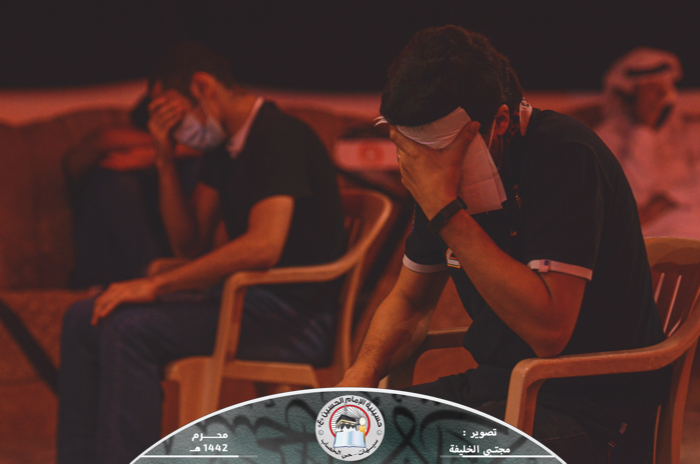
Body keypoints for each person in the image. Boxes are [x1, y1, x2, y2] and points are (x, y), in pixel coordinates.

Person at [338, 26, 669, 464]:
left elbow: (549, 332)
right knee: (341, 440)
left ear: (500, 122)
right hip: (499, 387)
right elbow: (410, 301)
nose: (430, 170)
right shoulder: (441, 184)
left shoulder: (565, 155)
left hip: (594, 411)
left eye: (441, 153)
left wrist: (446, 212)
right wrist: (359, 377)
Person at [57, 42, 347, 464]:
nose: (177, 129)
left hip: (294, 319)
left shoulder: (277, 135)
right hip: (245, 302)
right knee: (83, 317)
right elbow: (188, 243)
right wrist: (164, 158)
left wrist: (156, 285)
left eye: (171, 115)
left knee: (128, 328)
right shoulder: (225, 149)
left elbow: (263, 246)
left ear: (202, 87)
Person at [63, 96, 203, 289]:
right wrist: (163, 151)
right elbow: (101, 141)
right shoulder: (126, 142)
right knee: (113, 176)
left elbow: (216, 143)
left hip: (178, 255)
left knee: (199, 168)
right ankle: (150, 271)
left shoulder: (202, 156)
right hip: (111, 267)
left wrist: (166, 154)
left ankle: (161, 274)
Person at [595, 47, 700, 238]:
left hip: (685, 215)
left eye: (659, 92)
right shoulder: (605, 138)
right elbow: (632, 197)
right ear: (628, 97)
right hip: (643, 230)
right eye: (646, 94)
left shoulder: (688, 129)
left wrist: (668, 200)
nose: (654, 101)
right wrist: (644, 129)